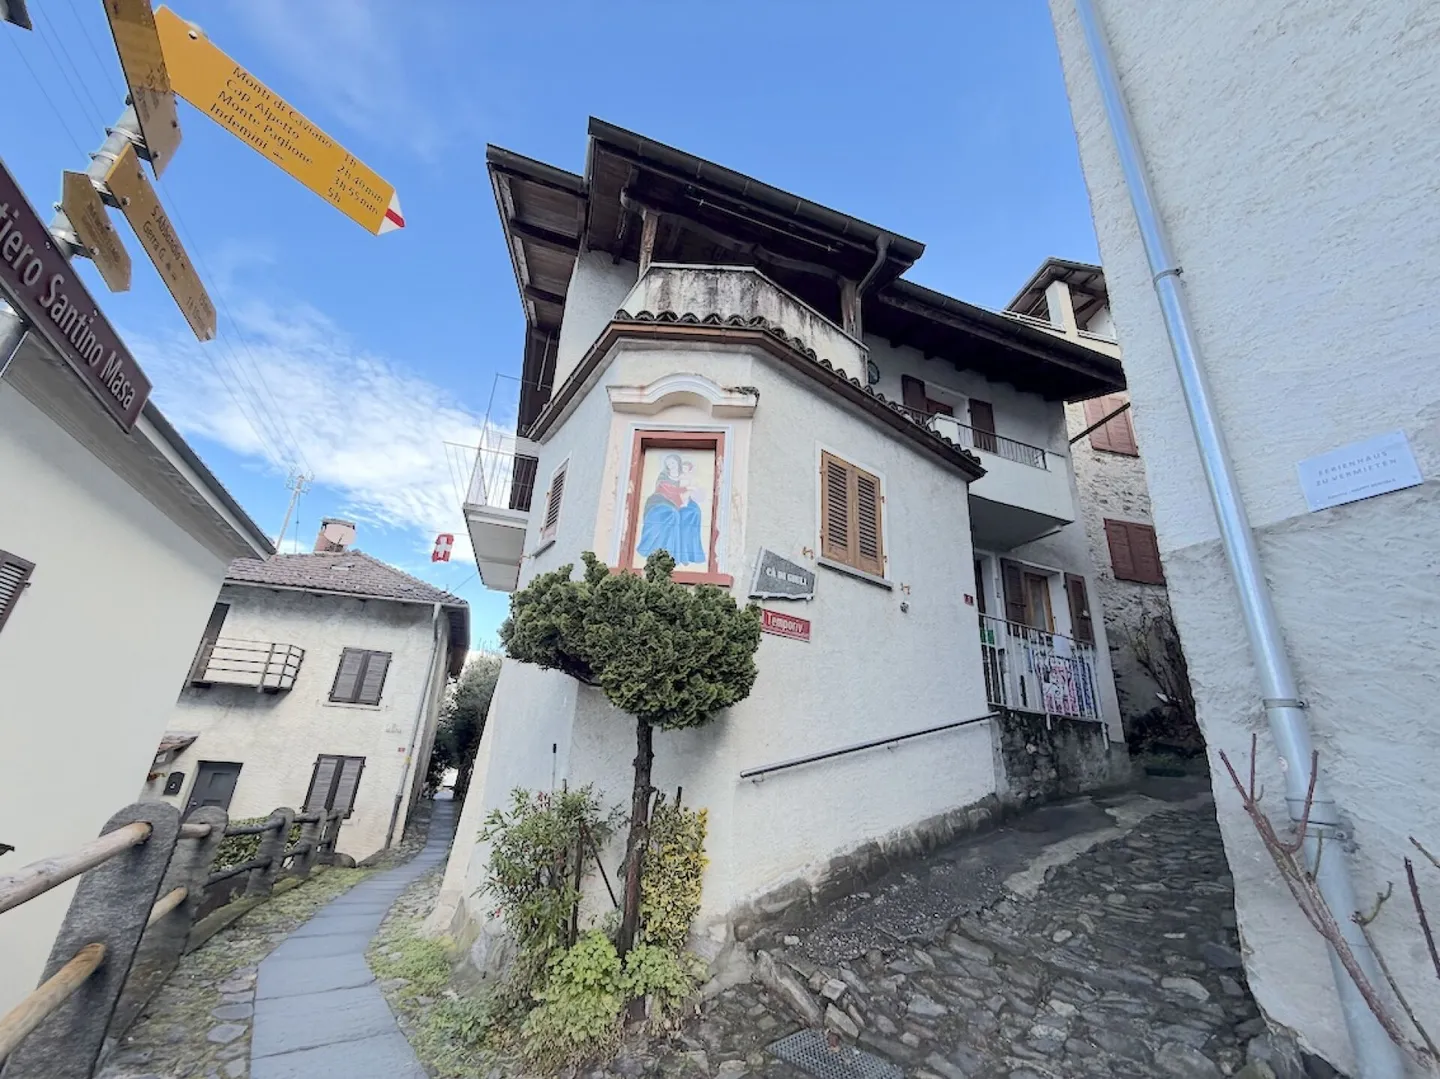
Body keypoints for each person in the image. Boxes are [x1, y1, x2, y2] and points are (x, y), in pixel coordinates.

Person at [636, 453, 705, 565]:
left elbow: (696, 492)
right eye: (668, 464)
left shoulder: (685, 476)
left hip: (680, 502)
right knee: (672, 514)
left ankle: (687, 553)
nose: (671, 465)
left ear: (678, 462)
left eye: (672, 462)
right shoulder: (663, 476)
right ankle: (667, 554)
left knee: (694, 512)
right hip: (661, 502)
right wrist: (686, 488)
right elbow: (668, 490)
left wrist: (694, 491)